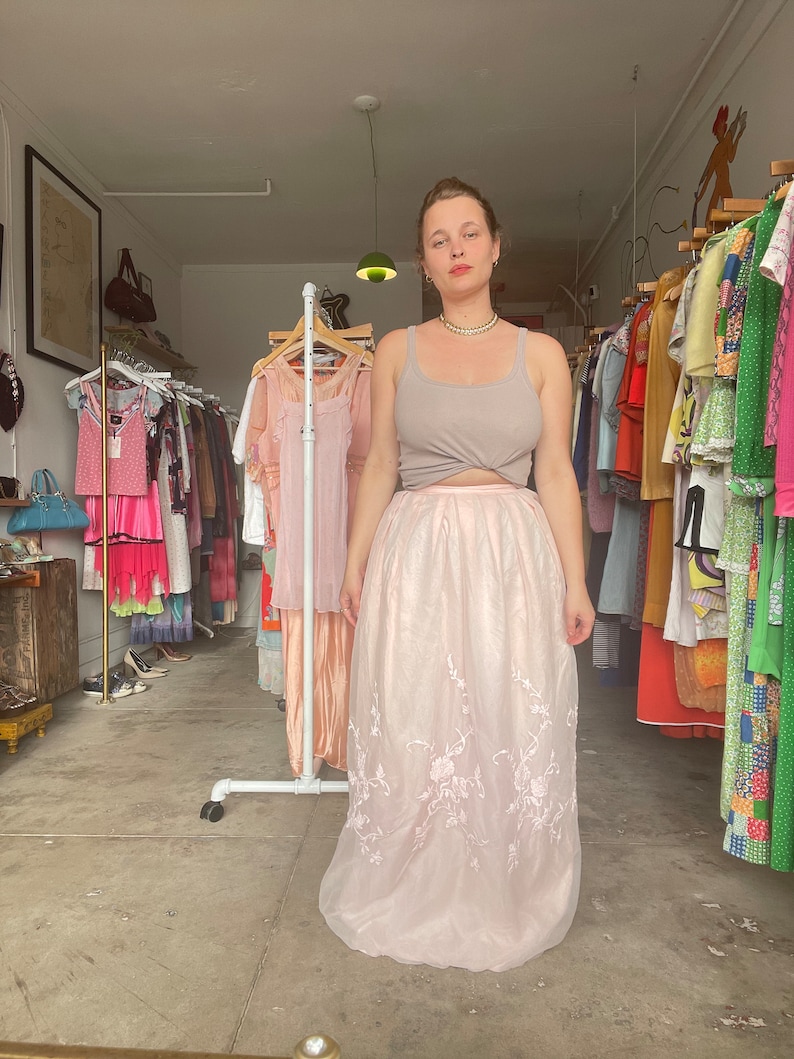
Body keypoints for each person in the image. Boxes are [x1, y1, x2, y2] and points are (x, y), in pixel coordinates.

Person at [319, 177, 595, 972]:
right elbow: (378, 465)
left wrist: (575, 583)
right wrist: (353, 560)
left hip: (512, 552)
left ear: (496, 245)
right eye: (440, 240)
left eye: (469, 233)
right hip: (418, 551)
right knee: (417, 713)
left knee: (508, 711)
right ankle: (411, 871)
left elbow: (557, 474)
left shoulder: (542, 355)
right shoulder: (395, 350)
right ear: (423, 261)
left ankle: (507, 878)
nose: (457, 249)